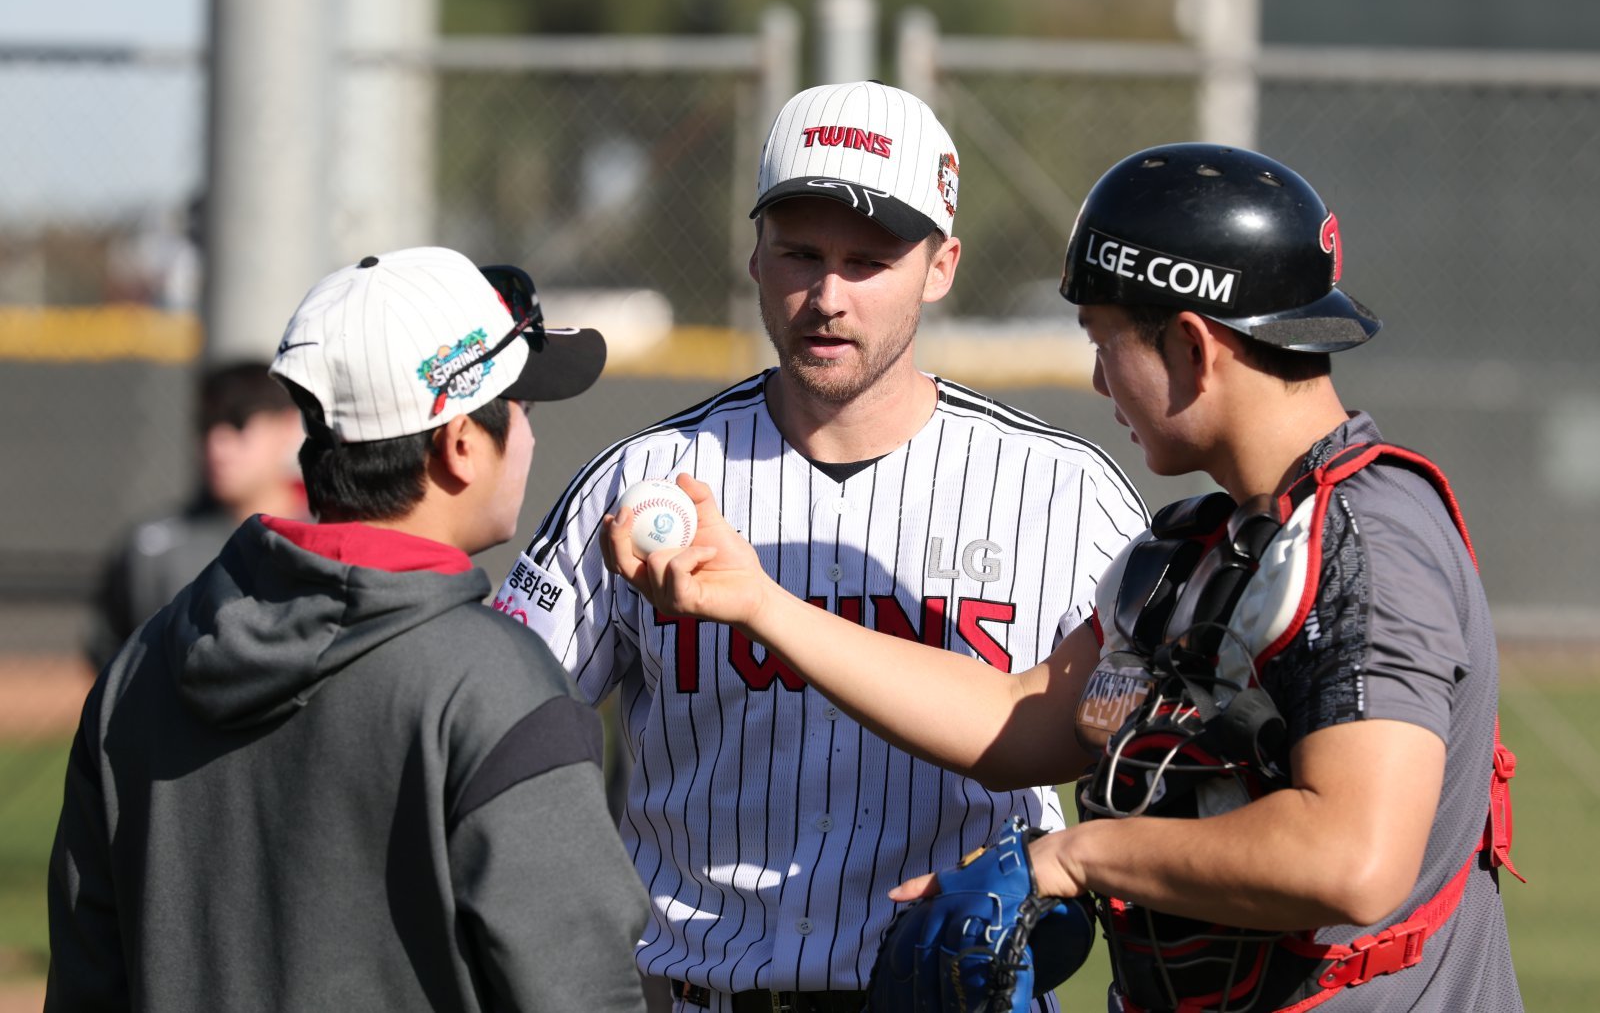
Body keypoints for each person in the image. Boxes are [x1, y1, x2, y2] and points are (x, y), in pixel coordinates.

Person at [604, 144, 1524, 1011]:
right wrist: (759, 603)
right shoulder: (1201, 549)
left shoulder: (1369, 541)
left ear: (1193, 347)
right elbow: (1019, 717)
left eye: (1103, 339)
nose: (1096, 380)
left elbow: (1352, 859)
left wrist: (1077, 857)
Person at [492, 80, 1148, 1012]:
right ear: (755, 255)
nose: (828, 297)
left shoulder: (1064, 492)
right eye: (800, 253)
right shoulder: (642, 481)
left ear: (941, 266)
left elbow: (1158, 763)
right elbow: (493, 731)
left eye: (868, 261)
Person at [47, 246, 650, 1013]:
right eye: (523, 410)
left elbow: (86, 984)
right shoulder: (499, 684)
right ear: (462, 445)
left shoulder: (141, 666)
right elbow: (583, 993)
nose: (528, 437)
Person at [85, 359, 308, 671]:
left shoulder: (330, 536)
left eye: (239, 425)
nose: (217, 446)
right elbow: (111, 655)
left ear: (288, 427)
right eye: (207, 426)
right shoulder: (154, 547)